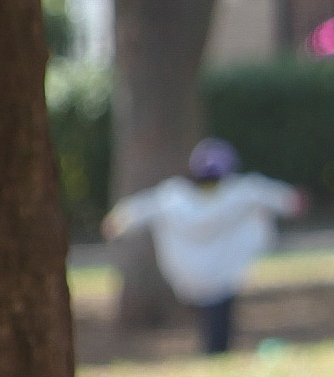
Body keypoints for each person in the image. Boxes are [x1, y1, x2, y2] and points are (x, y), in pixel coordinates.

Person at [102, 139, 305, 356]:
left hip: (190, 271)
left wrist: (118, 221)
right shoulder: (241, 193)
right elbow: (283, 199)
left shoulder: (173, 197)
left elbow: (136, 211)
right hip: (226, 270)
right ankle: (217, 349)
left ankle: (214, 349)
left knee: (212, 314)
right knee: (220, 311)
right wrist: (293, 201)